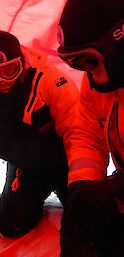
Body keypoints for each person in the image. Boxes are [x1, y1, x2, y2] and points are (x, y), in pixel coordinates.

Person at [0, 30, 79, 240]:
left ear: (22, 64)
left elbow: (78, 134)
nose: (2, 80)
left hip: (66, 162)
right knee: (10, 226)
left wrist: (82, 183)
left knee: (88, 217)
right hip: (26, 167)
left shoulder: (51, 81)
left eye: (10, 70)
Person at [56, 0, 124, 256]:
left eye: (89, 60)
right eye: (76, 64)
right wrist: (83, 188)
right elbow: (87, 135)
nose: (89, 74)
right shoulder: (97, 81)